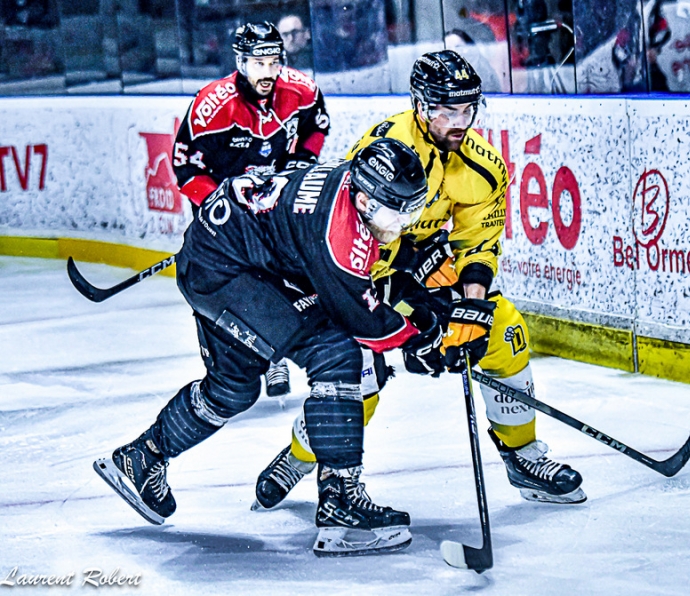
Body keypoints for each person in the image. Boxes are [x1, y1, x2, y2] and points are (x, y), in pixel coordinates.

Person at [253, 50, 586, 512]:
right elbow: (353, 231)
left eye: (467, 109)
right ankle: (300, 455)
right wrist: (413, 292)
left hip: (412, 276)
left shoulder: (483, 168)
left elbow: (478, 244)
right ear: (421, 104)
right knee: (359, 381)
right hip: (352, 277)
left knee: (505, 329)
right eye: (447, 110)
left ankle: (523, 455)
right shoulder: (386, 146)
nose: (459, 121)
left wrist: (471, 309)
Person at [94, 138, 446, 556]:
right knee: (335, 352)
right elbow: (365, 323)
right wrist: (422, 338)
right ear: (366, 200)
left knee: (232, 388)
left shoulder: (349, 189)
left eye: (412, 211)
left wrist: (409, 266)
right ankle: (340, 503)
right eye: (397, 212)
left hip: (220, 260)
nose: (403, 223)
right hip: (228, 272)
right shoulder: (337, 231)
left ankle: (141, 458)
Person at [172, 21, 330, 398]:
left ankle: (275, 357)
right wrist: (219, 202)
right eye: (259, 63)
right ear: (240, 62)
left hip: (272, 204)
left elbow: (318, 126)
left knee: (276, 277)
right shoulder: (212, 105)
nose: (268, 72)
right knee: (223, 284)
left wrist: (298, 165)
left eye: (274, 62)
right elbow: (185, 166)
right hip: (223, 212)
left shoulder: (301, 90)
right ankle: (226, 364)